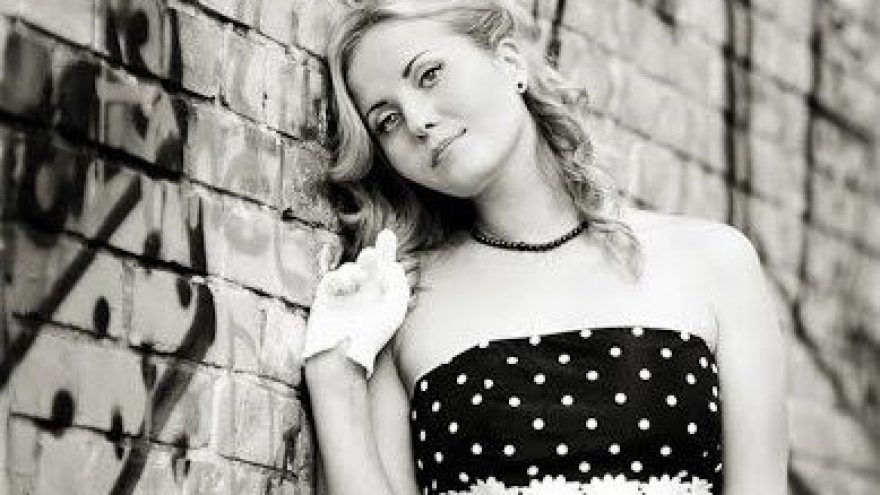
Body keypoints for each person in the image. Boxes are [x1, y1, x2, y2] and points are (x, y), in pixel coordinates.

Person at [301, 1, 788, 494]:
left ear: (509, 62)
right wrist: (333, 376)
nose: (417, 120)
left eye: (429, 75)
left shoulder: (714, 262)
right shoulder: (404, 305)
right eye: (386, 120)